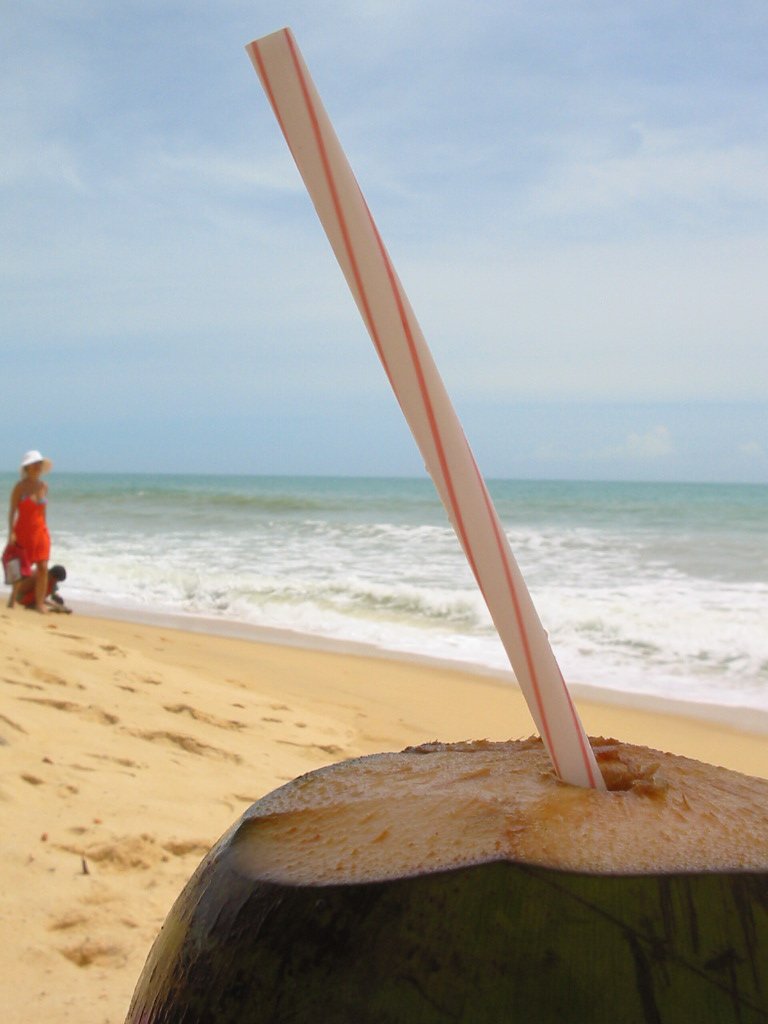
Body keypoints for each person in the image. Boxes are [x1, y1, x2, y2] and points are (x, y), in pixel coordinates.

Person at [7, 450, 53, 613]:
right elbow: (12, 510)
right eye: (34, 464)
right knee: (21, 569)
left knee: (43, 566)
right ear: (27, 467)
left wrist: (46, 530)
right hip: (23, 532)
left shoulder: (44, 486)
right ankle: (13, 595)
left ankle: (40, 603)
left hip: (40, 532)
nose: (37, 467)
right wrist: (10, 533)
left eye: (39, 464)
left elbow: (43, 511)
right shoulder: (20, 487)